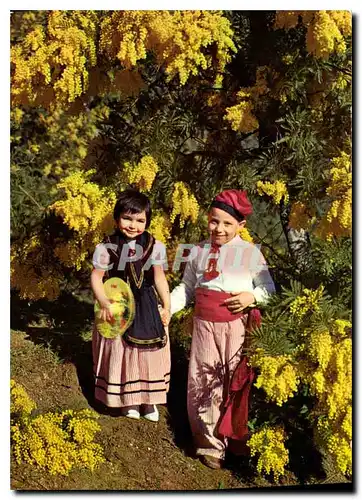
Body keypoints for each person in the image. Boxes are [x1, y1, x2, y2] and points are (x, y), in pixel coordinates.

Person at [170, 189, 275, 468]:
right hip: (205, 326)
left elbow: (269, 289)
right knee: (203, 382)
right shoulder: (197, 252)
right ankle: (210, 445)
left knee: (233, 381)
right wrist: (166, 308)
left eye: (228, 224)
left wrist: (252, 297)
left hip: (236, 326)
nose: (220, 228)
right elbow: (187, 288)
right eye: (215, 221)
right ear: (208, 219)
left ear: (241, 226)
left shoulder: (250, 254)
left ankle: (233, 440)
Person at [91, 189, 171, 422]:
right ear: (117, 219)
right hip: (118, 302)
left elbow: (159, 278)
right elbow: (96, 277)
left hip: (146, 303)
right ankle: (128, 400)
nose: (133, 225)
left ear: (147, 222)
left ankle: (149, 400)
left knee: (149, 351)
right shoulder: (106, 246)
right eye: (127, 218)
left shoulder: (156, 246)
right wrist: (104, 302)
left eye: (140, 220)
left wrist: (166, 305)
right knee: (122, 350)